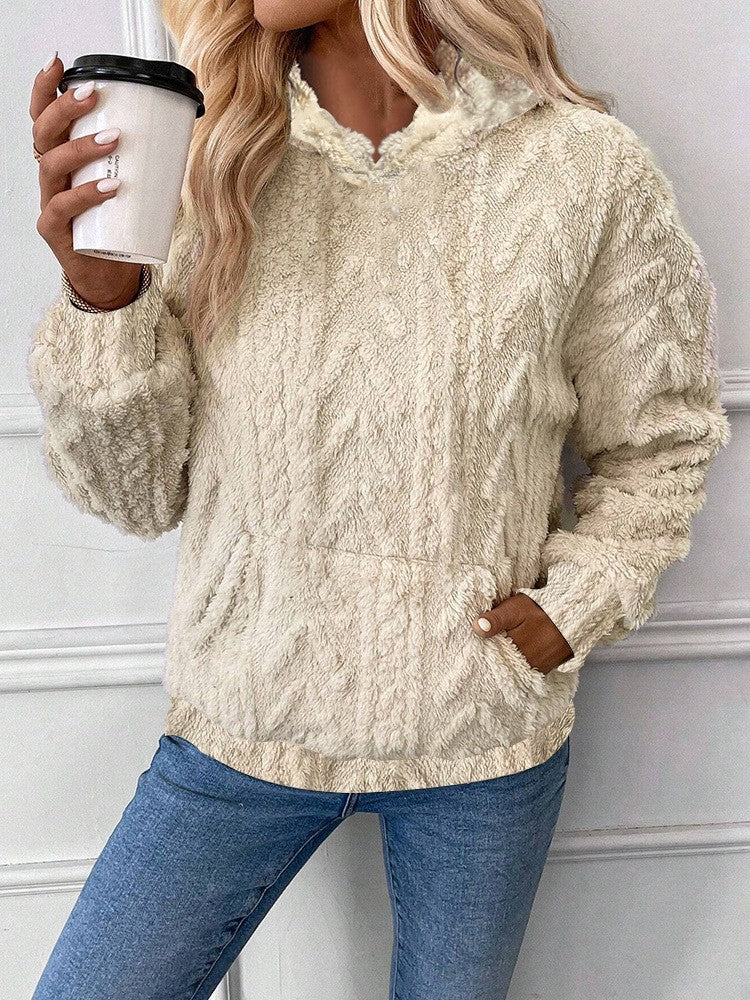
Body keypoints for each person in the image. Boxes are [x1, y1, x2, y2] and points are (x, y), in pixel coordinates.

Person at [27, 1, 731, 998]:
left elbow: (660, 442)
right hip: (244, 719)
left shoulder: (585, 170)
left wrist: (577, 603)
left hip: (481, 739)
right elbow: (138, 498)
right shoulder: (203, 161)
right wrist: (104, 297)